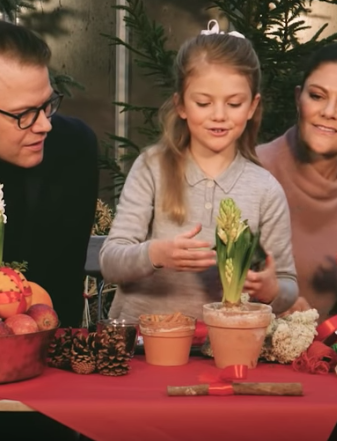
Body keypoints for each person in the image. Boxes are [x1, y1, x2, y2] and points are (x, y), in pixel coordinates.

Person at [100, 23, 298, 322]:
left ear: (252, 107)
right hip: (142, 344)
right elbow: (111, 262)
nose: (219, 115)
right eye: (203, 102)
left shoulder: (265, 189)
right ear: (181, 105)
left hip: (223, 346)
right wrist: (156, 254)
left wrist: (271, 290)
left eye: (234, 103)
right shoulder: (152, 167)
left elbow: (288, 284)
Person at [0, 20, 99, 442]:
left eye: (48, 103)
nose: (44, 125)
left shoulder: (73, 147)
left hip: (55, 380)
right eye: (23, 115)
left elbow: (60, 279)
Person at [257, 42, 337, 327]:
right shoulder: (250, 171)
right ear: (298, 98)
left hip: (315, 362)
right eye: (317, 96)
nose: (329, 112)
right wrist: (276, 302)